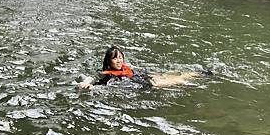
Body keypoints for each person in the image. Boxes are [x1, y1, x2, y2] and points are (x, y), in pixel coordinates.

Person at [78, 45, 210, 90]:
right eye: (115, 58)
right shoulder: (107, 75)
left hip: (141, 77)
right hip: (143, 84)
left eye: (120, 57)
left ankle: (198, 73)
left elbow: (135, 72)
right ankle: (198, 76)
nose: (119, 60)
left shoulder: (125, 68)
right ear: (109, 61)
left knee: (169, 75)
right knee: (177, 81)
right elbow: (97, 82)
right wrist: (89, 85)